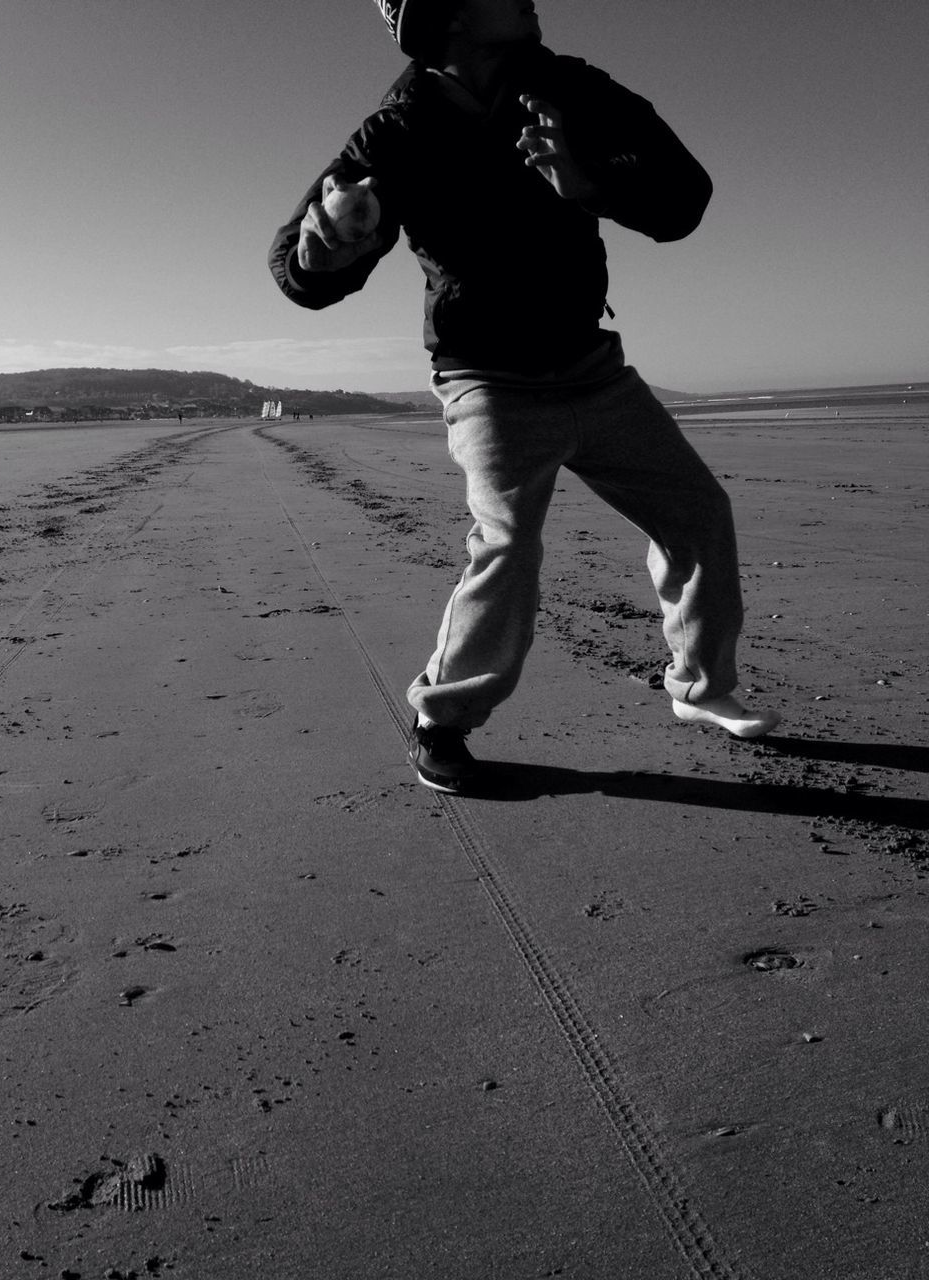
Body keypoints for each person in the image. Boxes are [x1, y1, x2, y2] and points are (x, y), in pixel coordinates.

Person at [269, 0, 781, 793]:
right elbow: (296, 273)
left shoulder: (572, 89)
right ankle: (440, 724)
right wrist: (335, 238)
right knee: (507, 543)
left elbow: (685, 197)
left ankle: (701, 685)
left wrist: (591, 182)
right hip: (486, 376)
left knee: (698, 514)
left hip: (592, 367)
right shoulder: (396, 131)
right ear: (448, 12)